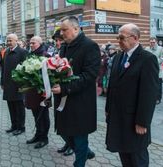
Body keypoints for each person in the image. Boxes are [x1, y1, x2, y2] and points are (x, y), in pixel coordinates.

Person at [105, 23, 159, 167]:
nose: (118, 40)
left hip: (135, 120)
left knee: (137, 157)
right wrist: (108, 109)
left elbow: (149, 94)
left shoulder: (147, 59)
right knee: (124, 154)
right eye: (118, 37)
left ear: (135, 38)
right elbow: (112, 86)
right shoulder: (118, 57)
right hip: (118, 117)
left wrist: (142, 122)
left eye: (121, 37)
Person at [51, 16, 100, 167]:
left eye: (64, 30)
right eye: (61, 30)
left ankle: (80, 162)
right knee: (64, 132)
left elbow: (89, 76)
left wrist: (65, 87)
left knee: (79, 137)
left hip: (80, 101)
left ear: (76, 29)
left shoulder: (90, 46)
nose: (62, 33)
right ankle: (86, 152)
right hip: (64, 99)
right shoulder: (64, 46)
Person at [24, 36, 51, 149]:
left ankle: (44, 138)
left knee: (43, 115)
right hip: (33, 92)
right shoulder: (31, 54)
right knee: (36, 114)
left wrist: (47, 91)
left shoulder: (45, 56)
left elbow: (51, 75)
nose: (31, 45)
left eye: (33, 43)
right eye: (30, 43)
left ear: (40, 43)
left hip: (43, 92)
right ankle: (38, 134)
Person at [51, 29, 74, 156]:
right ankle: (67, 142)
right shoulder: (57, 52)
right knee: (60, 119)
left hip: (68, 91)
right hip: (58, 91)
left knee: (68, 120)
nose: (58, 43)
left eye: (60, 40)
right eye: (56, 40)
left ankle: (72, 145)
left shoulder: (69, 53)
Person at [1, 34, 28, 136]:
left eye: (10, 40)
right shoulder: (7, 51)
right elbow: (3, 69)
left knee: (19, 107)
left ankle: (21, 127)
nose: (8, 42)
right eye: (7, 40)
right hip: (8, 84)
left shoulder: (22, 52)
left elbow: (26, 69)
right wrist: (2, 82)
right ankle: (14, 126)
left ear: (16, 40)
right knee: (11, 106)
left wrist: (23, 84)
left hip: (18, 86)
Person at [145, 37, 163, 104]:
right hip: (149, 70)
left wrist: (154, 62)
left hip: (158, 70)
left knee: (158, 85)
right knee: (150, 85)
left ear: (156, 42)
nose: (152, 43)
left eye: (153, 42)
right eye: (151, 42)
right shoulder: (147, 49)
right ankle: (151, 97)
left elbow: (162, 58)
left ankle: (158, 98)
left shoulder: (161, 49)